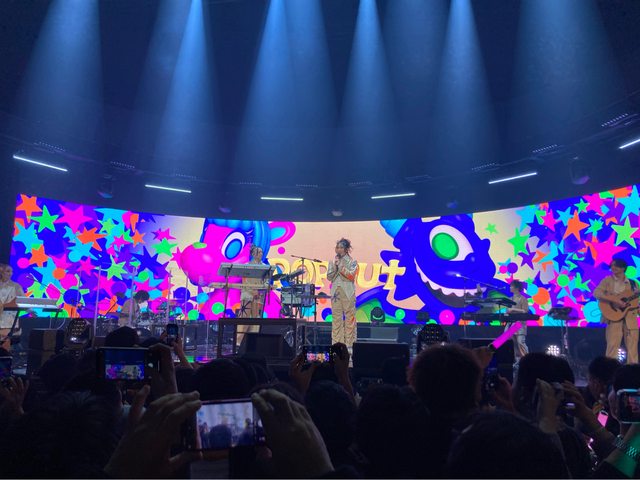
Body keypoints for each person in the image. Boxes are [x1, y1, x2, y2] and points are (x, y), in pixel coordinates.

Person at [594, 257, 639, 364]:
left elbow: (635, 302)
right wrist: (615, 300)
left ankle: (632, 370)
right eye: (612, 265)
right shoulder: (607, 281)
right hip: (614, 317)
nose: (613, 267)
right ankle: (610, 370)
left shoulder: (633, 284)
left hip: (630, 318)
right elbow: (597, 293)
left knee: (632, 349)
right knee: (612, 347)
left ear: (623, 268)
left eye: (616, 265)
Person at [326, 239, 358, 349]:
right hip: (336, 291)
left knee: (350, 318)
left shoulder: (352, 262)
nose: (338, 249)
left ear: (346, 249)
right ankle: (336, 344)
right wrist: (335, 266)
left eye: (341, 247)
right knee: (336, 318)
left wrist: (340, 266)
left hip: (348, 291)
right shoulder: (333, 261)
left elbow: (351, 276)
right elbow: (329, 277)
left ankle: (349, 345)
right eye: (337, 247)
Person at [0, 263, 26, 350]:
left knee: (6, 343)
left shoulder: (16, 286)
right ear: (1, 271)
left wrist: (30, 310)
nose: (10, 273)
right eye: (8, 271)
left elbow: (23, 301)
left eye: (12, 272)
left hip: (10, 320)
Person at [239, 246, 268, 318]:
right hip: (247, 293)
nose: (261, 254)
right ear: (253, 254)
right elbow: (244, 281)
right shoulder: (246, 266)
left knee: (256, 317)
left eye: (261, 252)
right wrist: (252, 291)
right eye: (259, 252)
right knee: (244, 316)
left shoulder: (265, 267)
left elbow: (266, 281)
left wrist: (260, 290)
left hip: (258, 294)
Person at [507, 279, 529, 361]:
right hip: (511, 323)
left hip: (520, 323)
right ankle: (517, 362)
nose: (510, 288)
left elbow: (525, 310)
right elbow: (508, 310)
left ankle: (527, 360)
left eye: (511, 286)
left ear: (516, 288)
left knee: (520, 342)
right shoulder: (510, 299)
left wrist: (514, 310)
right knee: (514, 344)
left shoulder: (523, 299)